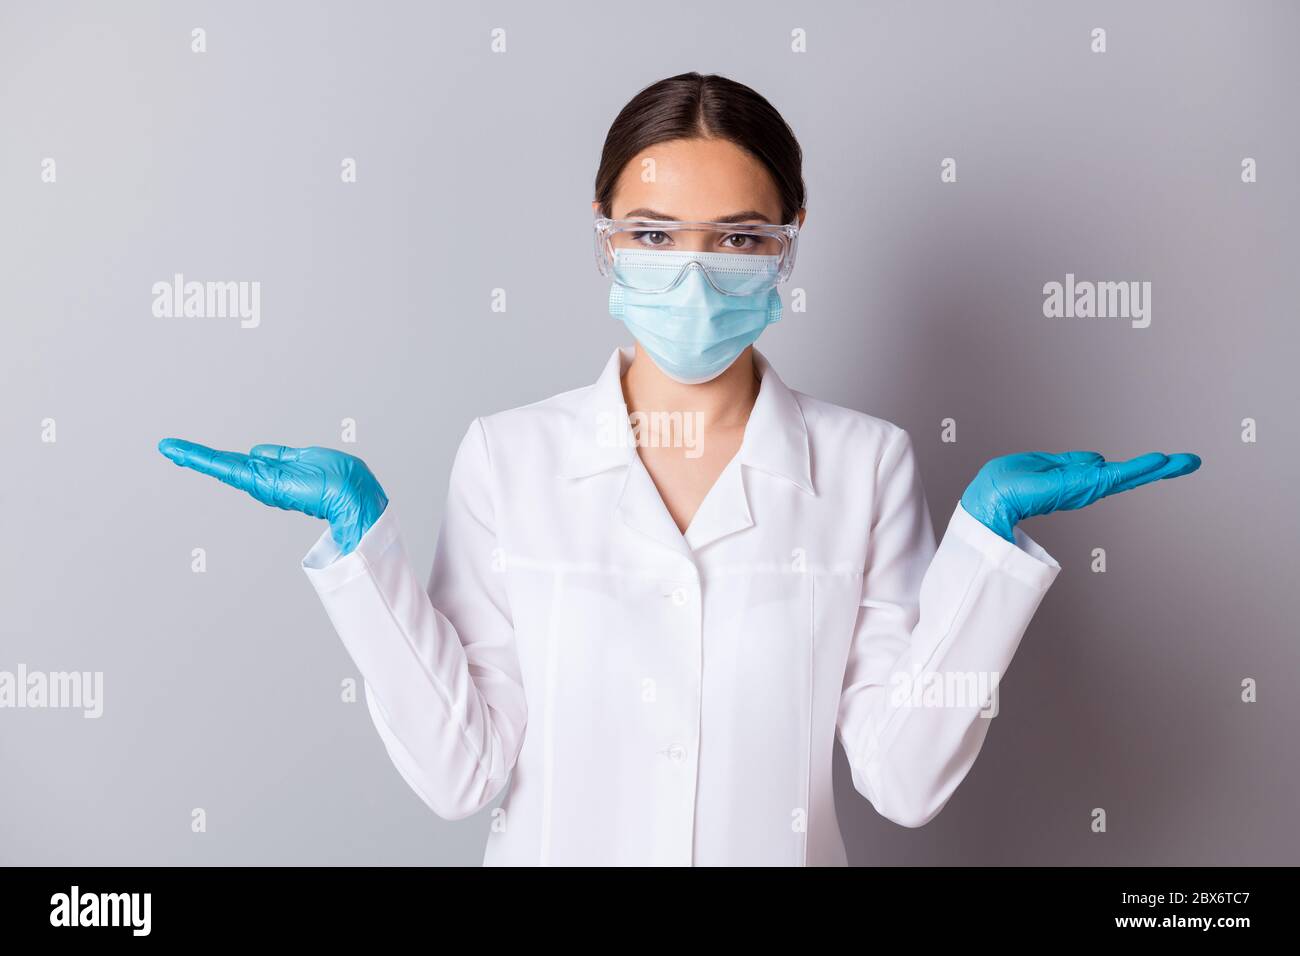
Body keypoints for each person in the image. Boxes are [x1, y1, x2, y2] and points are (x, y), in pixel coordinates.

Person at [157, 72, 1200, 866]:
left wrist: (986, 548)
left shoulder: (863, 464)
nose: (693, 272)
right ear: (605, 240)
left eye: (737, 236)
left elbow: (903, 774)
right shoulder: (509, 459)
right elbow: (459, 769)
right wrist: (359, 549)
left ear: (790, 242)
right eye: (655, 233)